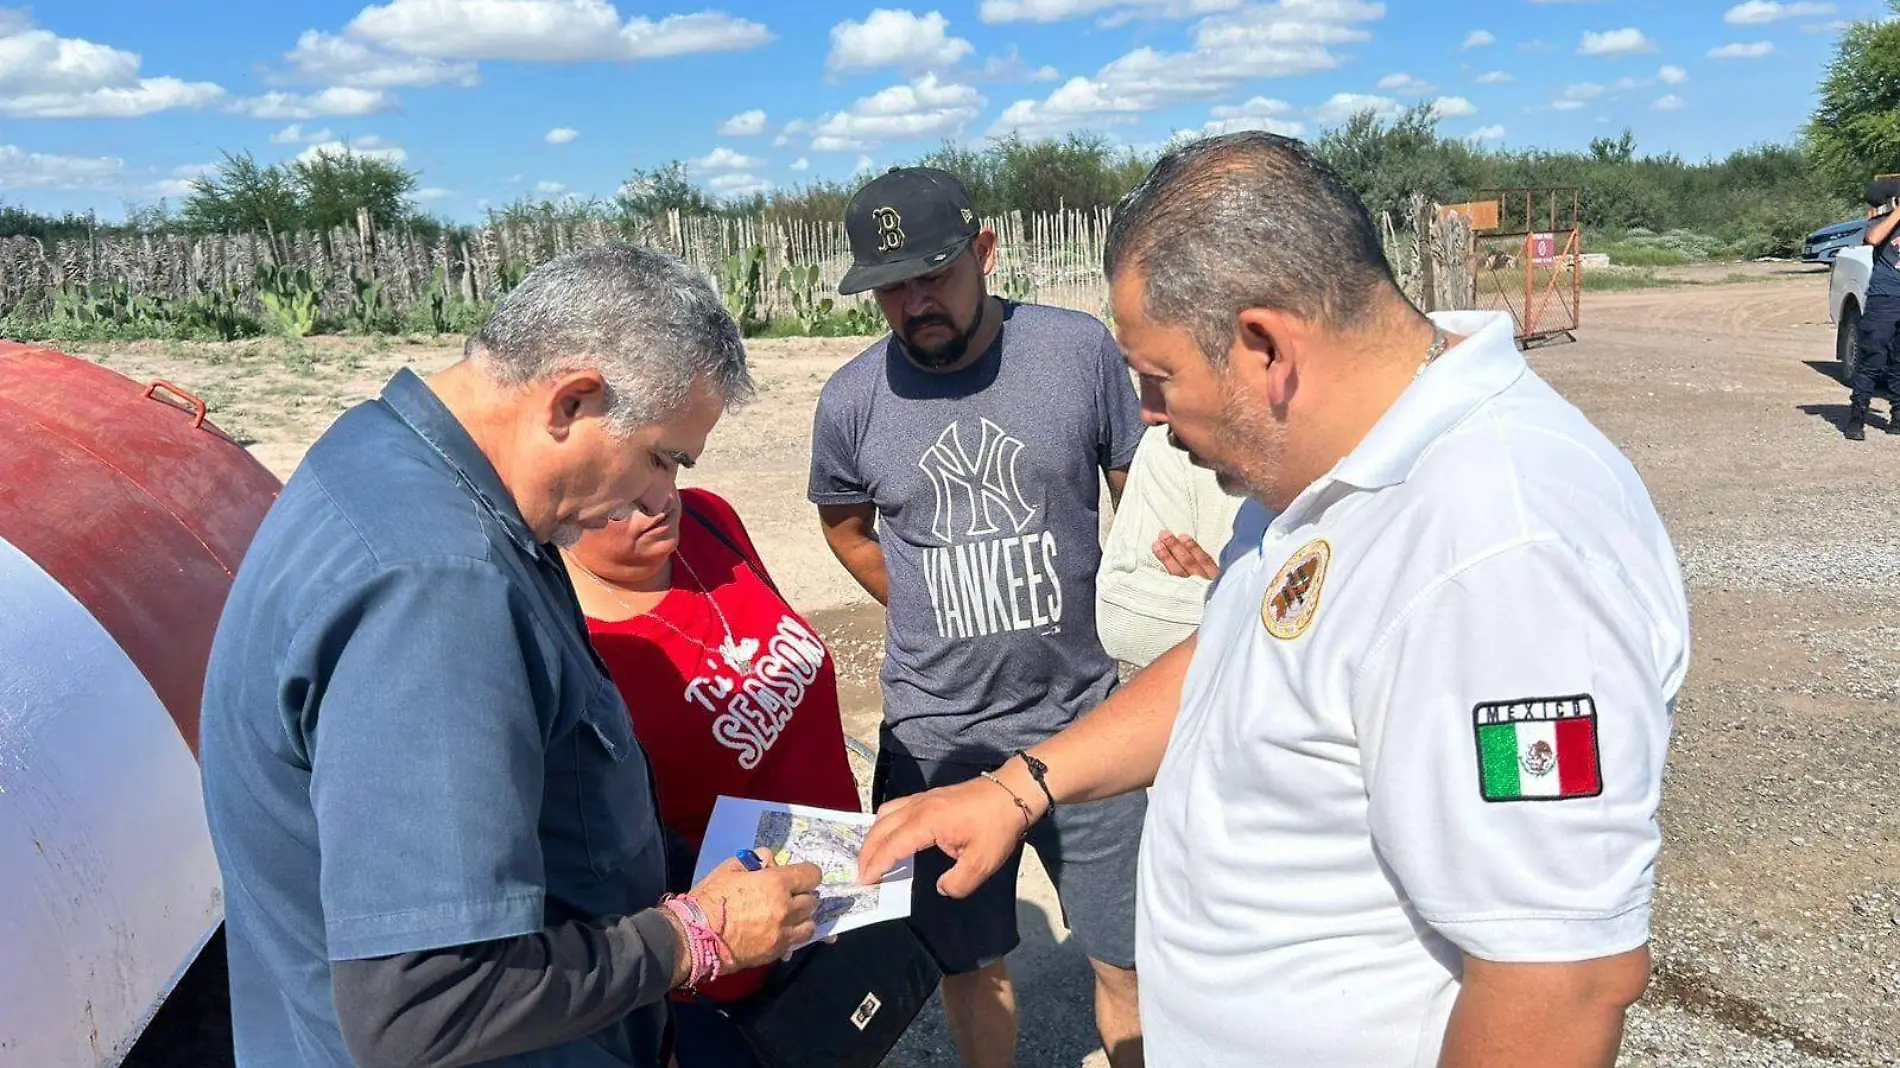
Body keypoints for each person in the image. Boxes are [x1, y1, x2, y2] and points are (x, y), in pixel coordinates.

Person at [859, 132, 1690, 1068]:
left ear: (1264, 346)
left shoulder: (1501, 552)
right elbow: (1231, 656)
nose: (1147, 418)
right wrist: (1017, 789)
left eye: (1159, 380)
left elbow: (1560, 981)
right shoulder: (1317, 472)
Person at [199, 244, 826, 1068]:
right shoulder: (437, 591)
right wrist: (694, 939)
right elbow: (425, 1009)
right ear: (571, 400)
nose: (658, 494)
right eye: (662, 456)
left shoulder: (394, 460)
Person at [808, 166, 1147, 1068]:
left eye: (935, 272)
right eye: (893, 285)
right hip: (937, 738)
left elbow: (1140, 503)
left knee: (1128, 958)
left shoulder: (1078, 353)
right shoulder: (850, 400)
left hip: (1086, 719)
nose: (916, 300)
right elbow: (845, 527)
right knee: (971, 966)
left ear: (984, 253)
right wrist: (923, 601)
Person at [561, 485, 862, 1066]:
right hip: (724, 960)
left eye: (663, 462)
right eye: (620, 499)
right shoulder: (574, 639)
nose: (655, 501)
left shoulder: (706, 518)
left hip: (841, 891)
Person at [1094, 423, 1245, 669]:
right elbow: (1120, 619)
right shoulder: (1172, 436)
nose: (1147, 412)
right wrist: (1229, 601)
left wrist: (1221, 598)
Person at [1846, 182, 1900, 440]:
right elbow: (1873, 239)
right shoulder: (1881, 220)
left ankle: (1898, 417)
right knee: (1873, 359)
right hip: (1886, 296)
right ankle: (1857, 418)